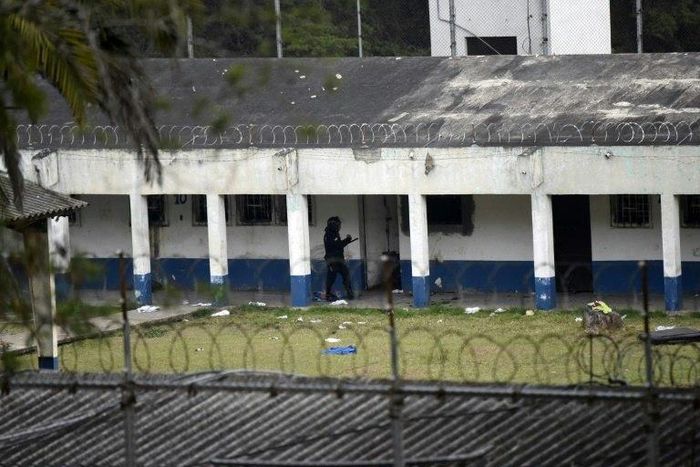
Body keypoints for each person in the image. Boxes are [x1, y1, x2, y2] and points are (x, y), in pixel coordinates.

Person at [323, 216, 355, 300]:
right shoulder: (329, 235)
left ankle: (350, 293)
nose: (339, 226)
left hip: (339, 259)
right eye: (338, 224)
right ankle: (327, 294)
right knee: (331, 277)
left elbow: (339, 245)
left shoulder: (335, 233)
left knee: (346, 274)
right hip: (332, 260)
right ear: (333, 225)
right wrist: (347, 240)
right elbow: (338, 245)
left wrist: (347, 240)